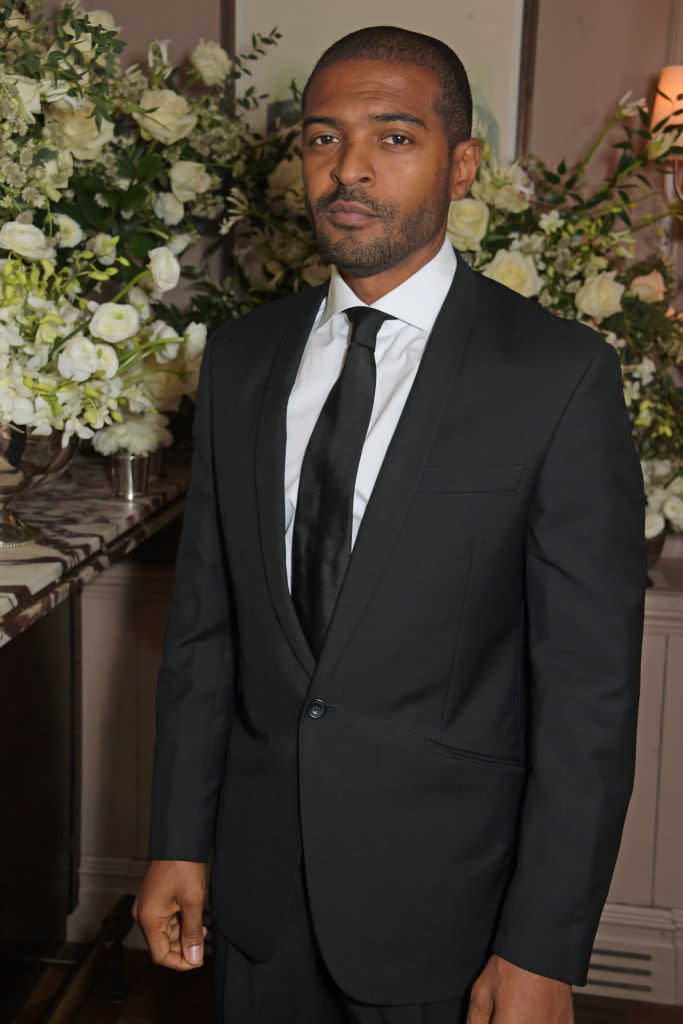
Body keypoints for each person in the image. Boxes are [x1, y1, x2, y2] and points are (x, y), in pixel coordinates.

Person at [133, 25, 646, 1024]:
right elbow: (204, 636)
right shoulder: (240, 362)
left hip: (449, 918)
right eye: (322, 139)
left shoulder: (554, 375)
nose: (349, 169)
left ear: (461, 163)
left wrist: (539, 943)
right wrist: (177, 839)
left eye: (393, 138)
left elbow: (588, 693)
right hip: (256, 904)